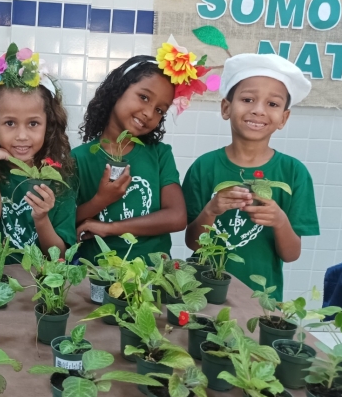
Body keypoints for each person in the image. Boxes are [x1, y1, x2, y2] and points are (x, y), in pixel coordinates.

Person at [182, 53, 320, 301]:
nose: (258, 110)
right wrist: (211, 210)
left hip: (261, 299)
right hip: (203, 293)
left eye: (273, 104)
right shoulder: (204, 167)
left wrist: (280, 221)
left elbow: (291, 255)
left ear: (283, 118)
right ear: (226, 107)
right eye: (247, 99)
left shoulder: (293, 173)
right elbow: (193, 243)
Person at [72, 36, 210, 264]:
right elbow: (67, 221)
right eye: (144, 97)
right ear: (117, 91)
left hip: (154, 275)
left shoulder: (159, 154)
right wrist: (101, 199)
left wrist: (111, 228)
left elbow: (177, 217)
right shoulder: (80, 158)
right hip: (98, 275)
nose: (149, 113)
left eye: (159, 110)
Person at [0, 44, 76, 259]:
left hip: (37, 283)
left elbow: (58, 254)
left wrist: (41, 218)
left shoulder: (61, 178)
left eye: (33, 124)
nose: (22, 135)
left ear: (48, 124)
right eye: (9, 123)